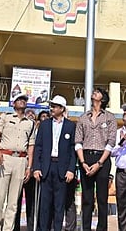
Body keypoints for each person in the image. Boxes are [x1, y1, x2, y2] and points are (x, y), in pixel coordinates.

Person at [0, 93, 36, 231]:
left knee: (14, 201)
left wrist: (29, 166)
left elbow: (31, 146)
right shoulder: (5, 117)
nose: (22, 102)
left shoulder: (30, 123)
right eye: (19, 100)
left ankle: (8, 228)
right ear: (13, 103)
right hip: (5, 158)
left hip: (21, 160)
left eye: (24, 100)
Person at [32, 95, 77, 231]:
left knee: (59, 205)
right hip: (46, 167)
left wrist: (71, 170)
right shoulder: (45, 124)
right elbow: (38, 147)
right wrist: (36, 167)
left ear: (62, 109)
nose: (52, 108)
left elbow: (73, 149)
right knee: (45, 205)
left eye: (55, 106)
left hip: (62, 169)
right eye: (52, 105)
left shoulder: (70, 126)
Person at [74, 88, 117, 231]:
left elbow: (111, 142)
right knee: (86, 197)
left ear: (103, 99)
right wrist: (83, 162)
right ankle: (85, 228)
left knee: (102, 198)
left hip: (102, 158)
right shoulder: (83, 117)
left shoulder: (110, 117)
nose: (94, 93)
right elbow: (78, 142)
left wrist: (99, 163)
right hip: (85, 157)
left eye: (97, 92)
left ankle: (101, 228)